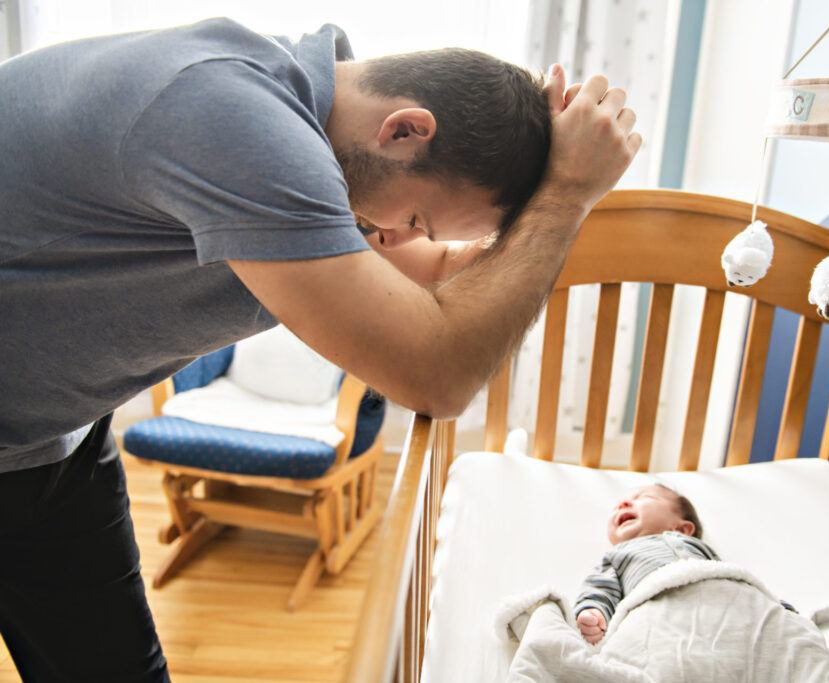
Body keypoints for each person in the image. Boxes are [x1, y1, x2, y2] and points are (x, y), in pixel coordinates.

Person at [0, 17, 641, 682]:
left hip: (50, 436)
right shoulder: (235, 122)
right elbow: (438, 375)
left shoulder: (319, 129)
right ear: (404, 129)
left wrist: (550, 181)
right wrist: (566, 195)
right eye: (415, 217)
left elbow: (441, 267)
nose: (398, 236)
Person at [574, 484, 717, 645]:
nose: (623, 504)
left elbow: (727, 576)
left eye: (644, 497)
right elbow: (598, 589)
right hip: (655, 615)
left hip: (713, 608)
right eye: (618, 505)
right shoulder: (617, 555)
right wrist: (593, 613)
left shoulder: (698, 548)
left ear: (681, 529)